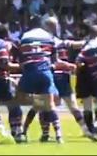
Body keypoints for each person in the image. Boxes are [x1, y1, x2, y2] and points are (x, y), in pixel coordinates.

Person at [17, 15, 63, 143]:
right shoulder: (48, 37)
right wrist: (50, 68)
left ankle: (21, 130)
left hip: (30, 72)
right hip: (44, 72)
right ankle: (59, 135)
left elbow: (21, 61)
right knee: (49, 104)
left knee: (17, 101)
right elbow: (55, 60)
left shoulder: (24, 37)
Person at [0, 24, 24, 143]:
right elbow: (3, 64)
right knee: (14, 106)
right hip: (1, 79)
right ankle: (16, 131)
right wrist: (21, 67)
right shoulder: (2, 44)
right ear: (6, 34)